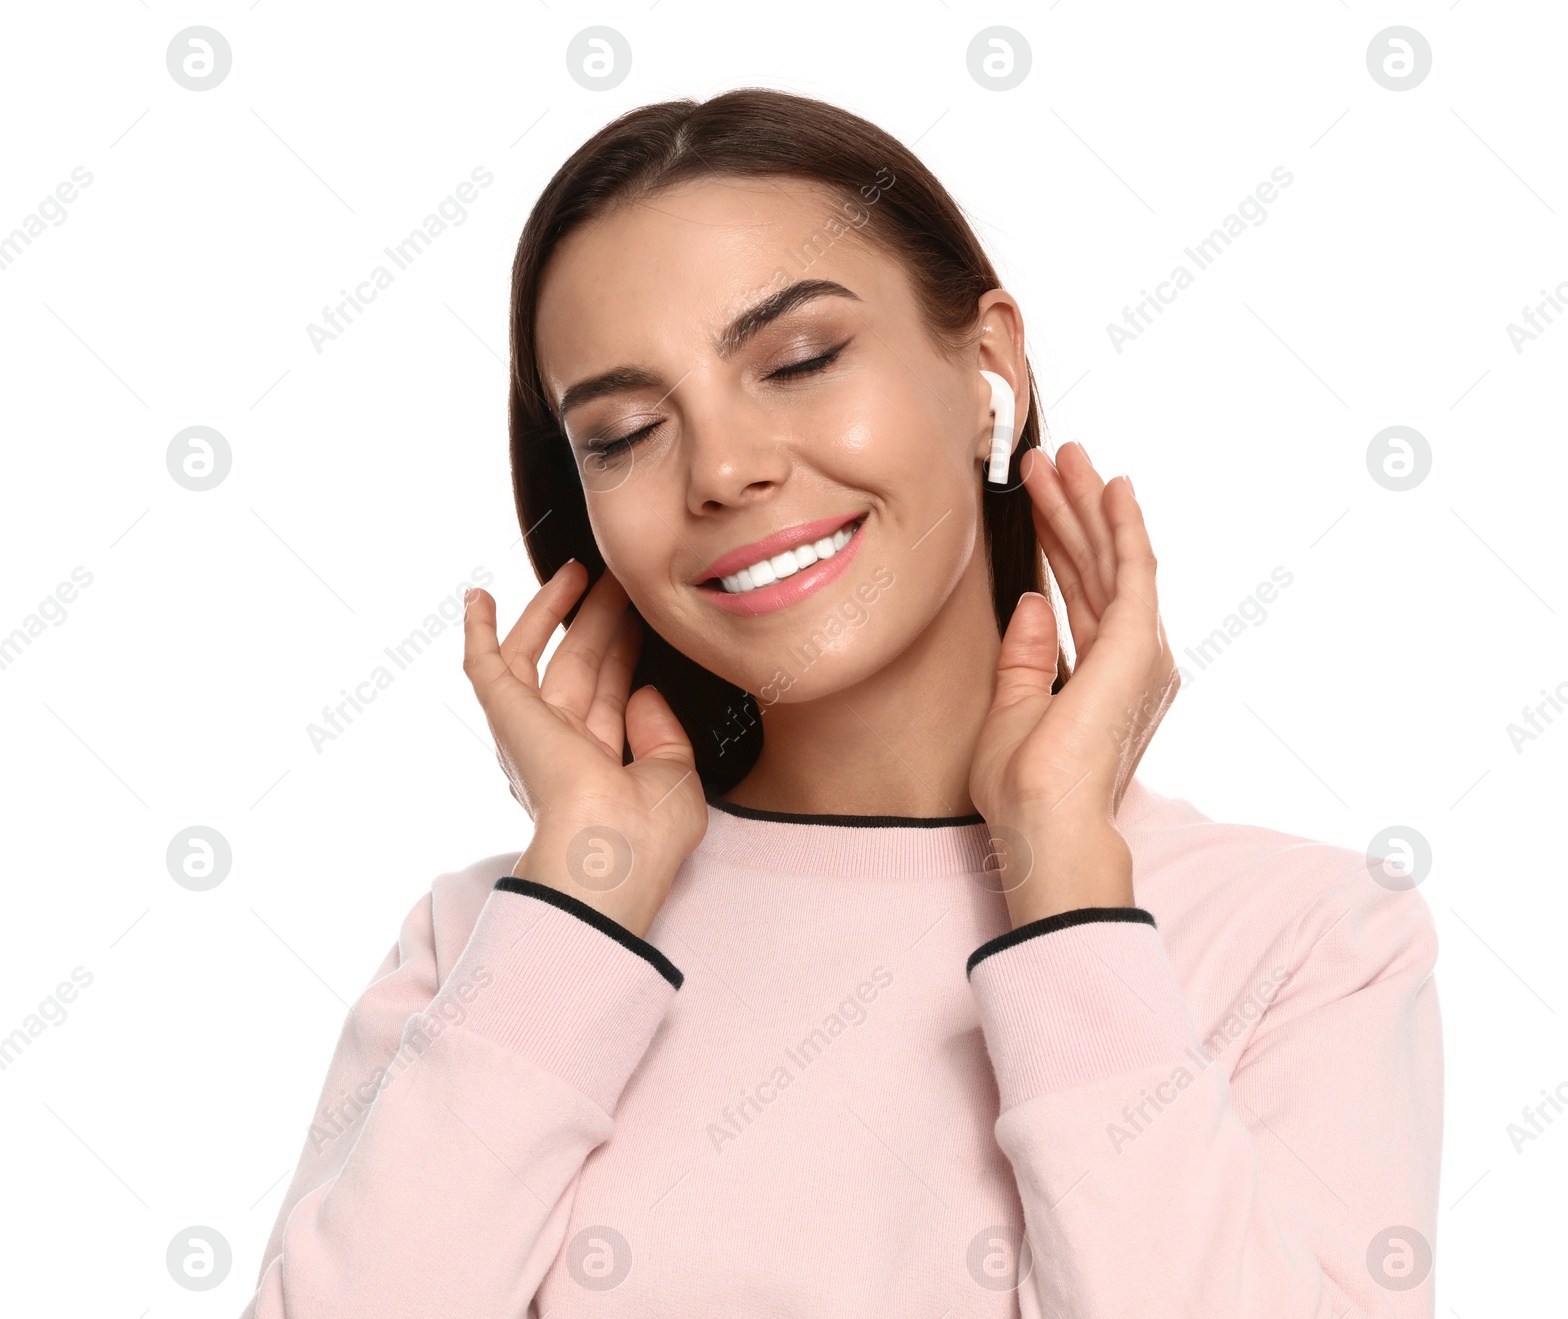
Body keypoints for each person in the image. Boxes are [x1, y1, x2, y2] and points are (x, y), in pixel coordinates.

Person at [243, 88, 1441, 1318]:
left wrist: (1066, 881)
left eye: (801, 360)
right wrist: (579, 902)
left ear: (990, 369)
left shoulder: (1306, 939)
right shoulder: (490, 944)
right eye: (624, 431)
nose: (722, 470)